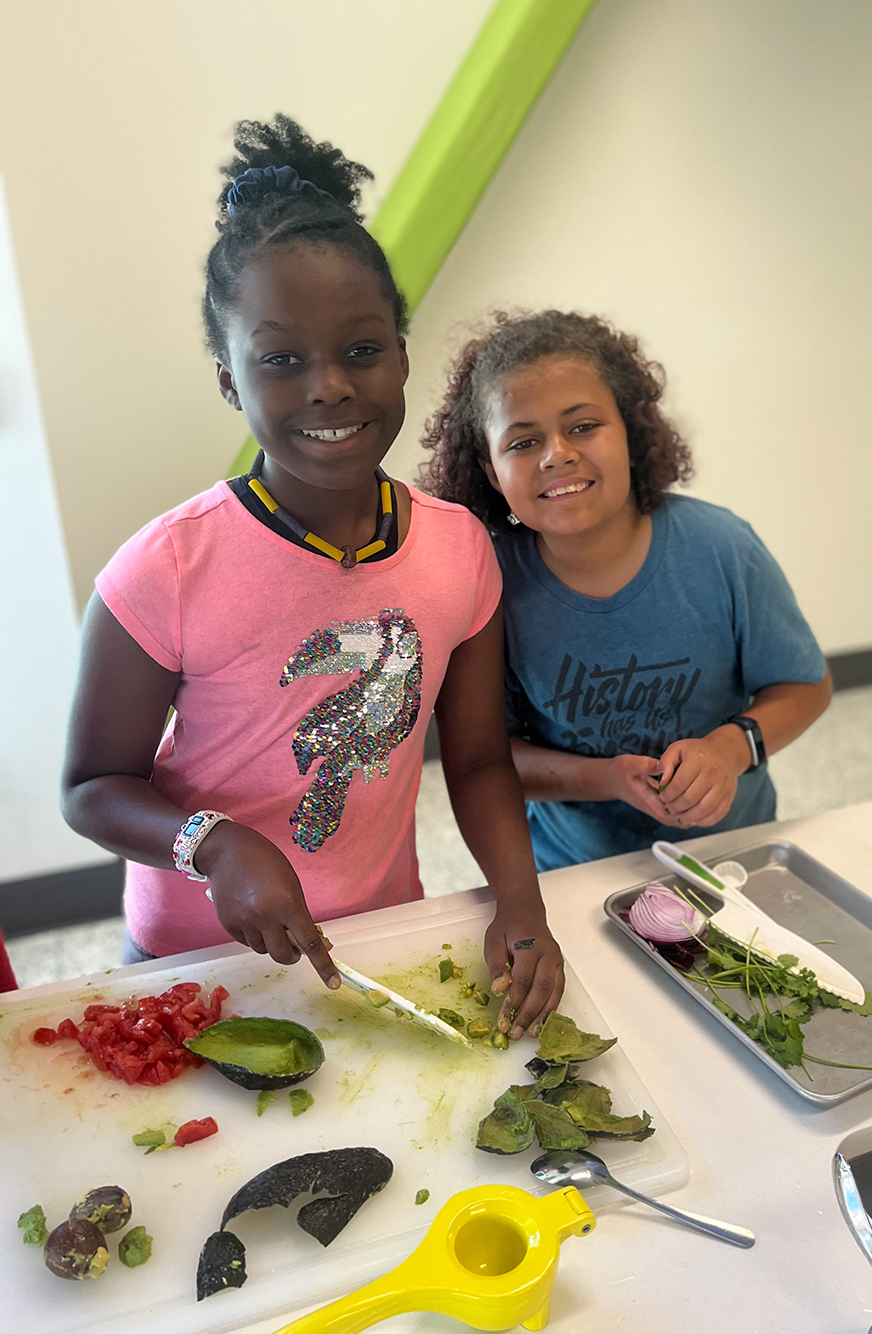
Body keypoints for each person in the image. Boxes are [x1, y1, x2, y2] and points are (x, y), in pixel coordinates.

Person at [61, 118, 562, 1041]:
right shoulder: (165, 567)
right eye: (281, 360)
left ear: (403, 357)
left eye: (362, 350)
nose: (327, 386)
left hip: (381, 930)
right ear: (228, 381)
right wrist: (211, 847)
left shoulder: (458, 551)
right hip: (196, 955)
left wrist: (521, 904)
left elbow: (482, 758)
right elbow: (93, 784)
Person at [420, 310, 832, 872]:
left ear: (631, 435)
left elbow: (806, 687)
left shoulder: (722, 549)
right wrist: (605, 777)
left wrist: (727, 752)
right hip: (573, 868)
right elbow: (485, 759)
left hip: (730, 853)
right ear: (491, 473)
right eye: (523, 441)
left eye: (583, 426)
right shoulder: (487, 583)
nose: (557, 453)